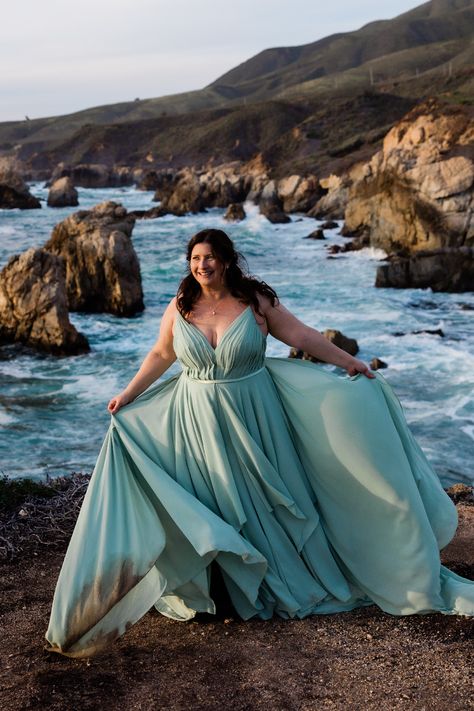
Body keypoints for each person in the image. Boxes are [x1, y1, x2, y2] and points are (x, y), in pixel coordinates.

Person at [45, 228, 474, 659]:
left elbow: (302, 336)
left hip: (255, 419)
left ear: (227, 261)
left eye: (210, 257)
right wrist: (128, 395)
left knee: (266, 504)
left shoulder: (255, 303)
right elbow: (161, 355)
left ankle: (268, 580)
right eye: (195, 258)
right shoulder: (180, 307)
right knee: (214, 498)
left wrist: (350, 363)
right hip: (196, 421)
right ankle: (224, 587)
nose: (202, 265)